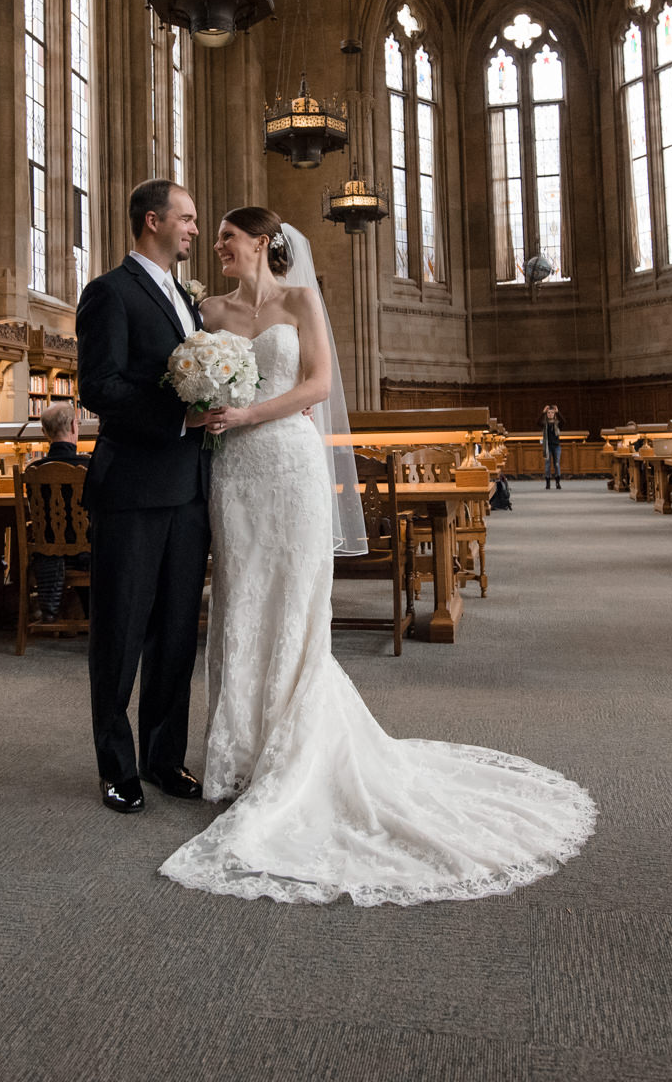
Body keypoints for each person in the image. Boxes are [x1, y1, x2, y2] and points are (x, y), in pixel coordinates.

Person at [157, 207, 594, 906]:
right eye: (212, 240)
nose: (216, 248)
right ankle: (235, 756)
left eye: (228, 239)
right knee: (240, 597)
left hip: (289, 466)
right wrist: (207, 403)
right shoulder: (205, 308)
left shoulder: (302, 299)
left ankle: (291, 751)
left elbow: (317, 388)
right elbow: (192, 382)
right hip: (231, 475)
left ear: (262, 244)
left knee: (297, 601)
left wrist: (246, 414)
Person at [73, 179, 213, 815]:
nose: (193, 229)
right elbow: (99, 388)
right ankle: (116, 767)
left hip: (188, 490)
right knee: (121, 633)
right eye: (185, 219)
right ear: (152, 220)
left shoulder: (186, 298)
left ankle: (163, 758)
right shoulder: (109, 292)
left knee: (177, 633)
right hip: (131, 487)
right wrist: (180, 415)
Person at [29, 404, 88, 624]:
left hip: (48, 552)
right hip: (87, 552)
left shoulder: (32, 471)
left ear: (44, 433)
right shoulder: (88, 467)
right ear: (74, 426)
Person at [540, 404, 564, 489]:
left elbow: (564, 422)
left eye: (552, 413)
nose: (550, 414)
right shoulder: (544, 424)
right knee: (547, 465)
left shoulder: (557, 423)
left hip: (556, 446)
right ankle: (548, 483)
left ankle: (558, 482)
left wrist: (558, 412)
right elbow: (537, 422)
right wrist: (543, 412)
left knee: (557, 464)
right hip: (547, 446)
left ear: (554, 414)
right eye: (548, 413)